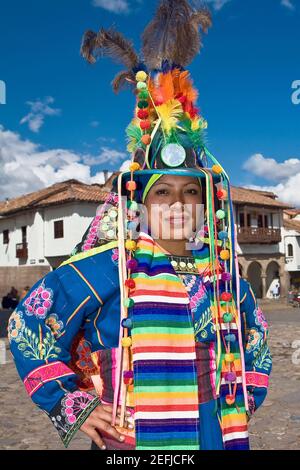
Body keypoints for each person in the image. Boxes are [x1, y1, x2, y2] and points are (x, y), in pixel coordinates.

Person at [8, 0, 272, 451]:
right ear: (141, 204)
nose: (178, 204)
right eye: (162, 192)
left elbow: (257, 339)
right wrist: (74, 404)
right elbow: (25, 327)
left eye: (191, 192)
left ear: (207, 205)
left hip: (214, 438)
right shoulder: (109, 268)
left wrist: (242, 396)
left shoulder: (223, 276)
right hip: (132, 444)